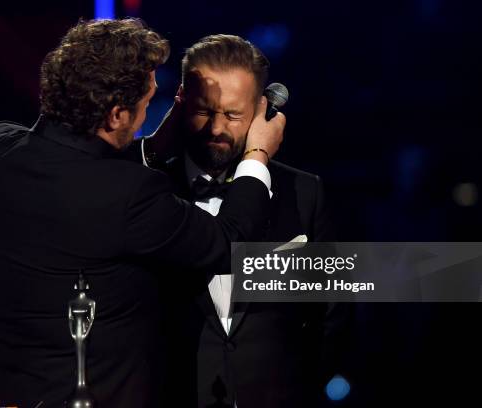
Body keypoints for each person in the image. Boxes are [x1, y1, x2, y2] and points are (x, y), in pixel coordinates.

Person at [0, 20, 285, 407]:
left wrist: (153, 145)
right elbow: (228, 241)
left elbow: (83, 173)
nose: (148, 111)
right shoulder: (130, 195)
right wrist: (257, 155)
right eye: (147, 103)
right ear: (117, 115)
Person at [143, 34, 351, 407]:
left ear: (262, 112)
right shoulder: (147, 191)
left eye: (234, 115)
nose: (217, 128)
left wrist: (299, 390)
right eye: (204, 111)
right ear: (181, 103)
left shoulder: (304, 193)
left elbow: (332, 312)